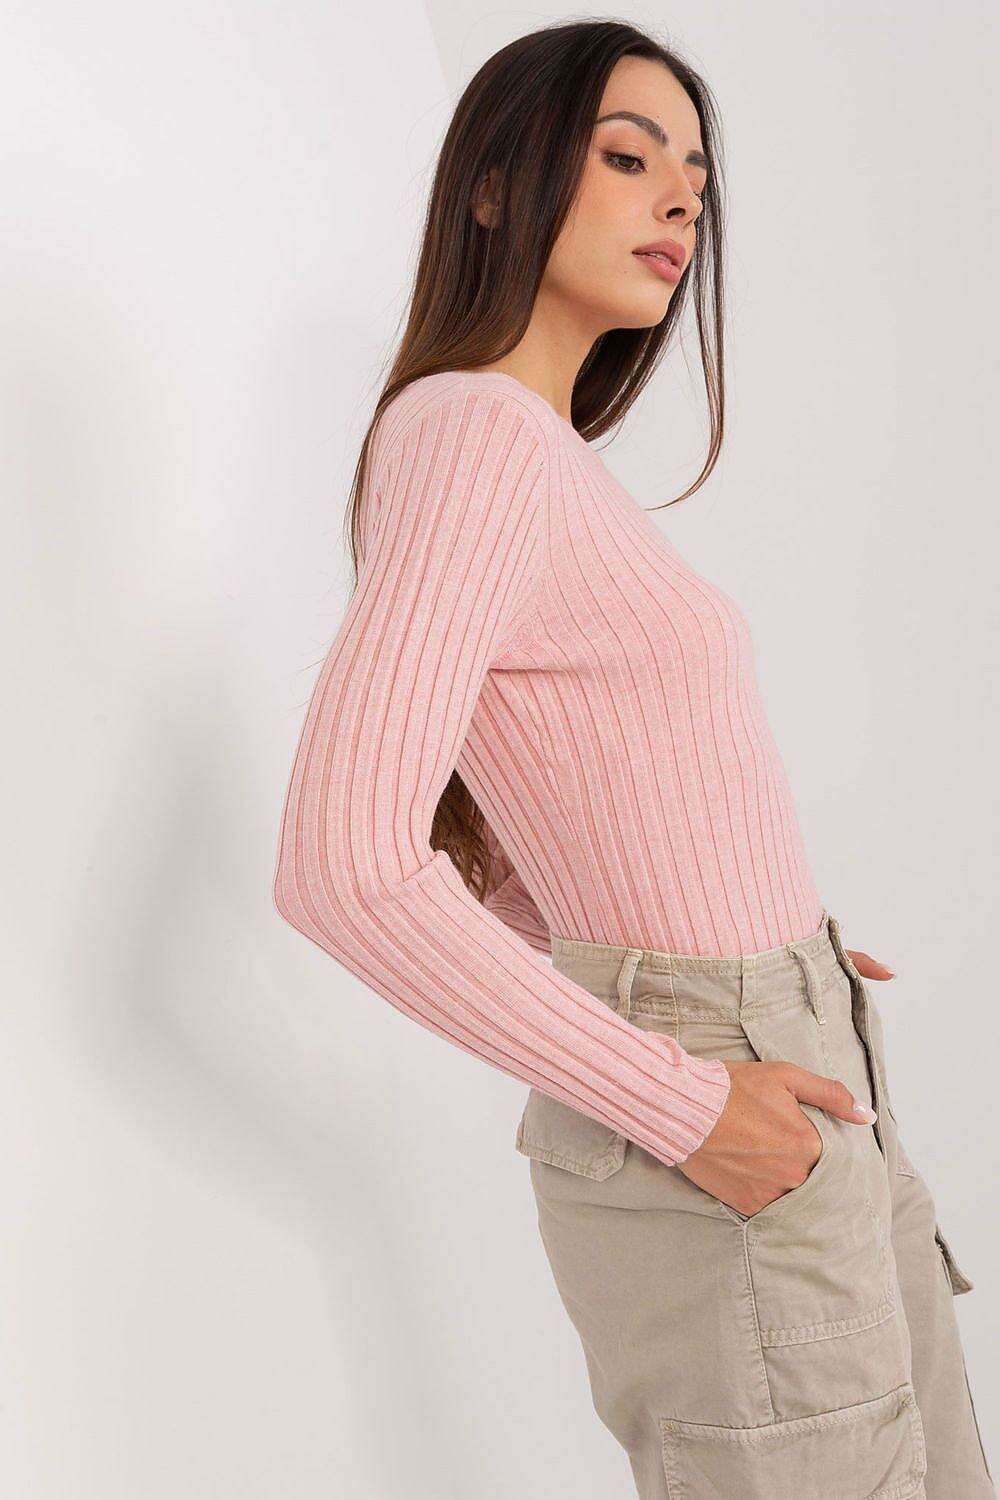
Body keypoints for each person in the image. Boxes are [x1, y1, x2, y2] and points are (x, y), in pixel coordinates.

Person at [271, 20, 993, 1497]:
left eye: (698, 181)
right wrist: (688, 1089)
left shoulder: (532, 456)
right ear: (494, 187)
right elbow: (343, 867)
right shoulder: (475, 437)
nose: (680, 200)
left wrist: (766, 953)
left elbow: (516, 816)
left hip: (794, 1060)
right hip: (718, 1104)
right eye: (627, 156)